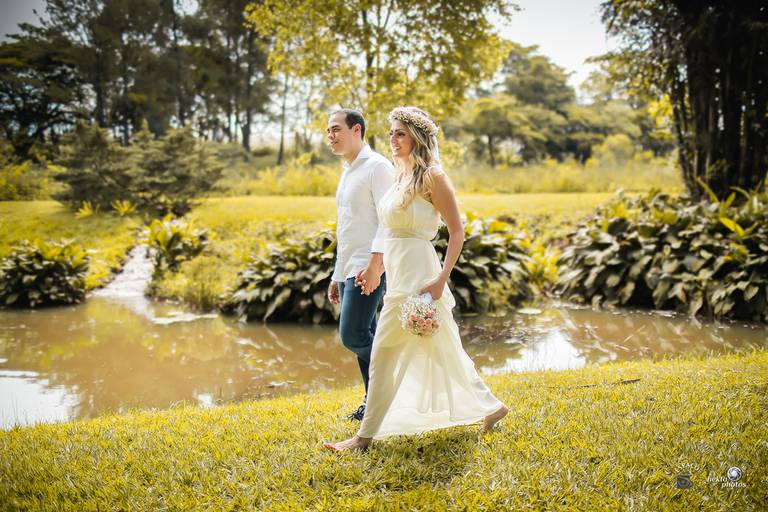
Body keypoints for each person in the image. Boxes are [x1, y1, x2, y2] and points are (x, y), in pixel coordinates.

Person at [324, 106, 509, 452]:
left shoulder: (433, 177)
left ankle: (362, 438)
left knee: (384, 351)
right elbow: (386, 230)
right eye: (391, 133)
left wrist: (441, 279)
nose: (392, 140)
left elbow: (457, 231)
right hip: (396, 274)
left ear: (417, 138)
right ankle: (492, 406)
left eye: (400, 134)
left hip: (421, 274)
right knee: (443, 347)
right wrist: (375, 267)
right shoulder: (399, 175)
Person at [326, 108, 395, 421]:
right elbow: (347, 228)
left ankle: (394, 381)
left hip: (368, 267)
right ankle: (375, 401)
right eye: (329, 131)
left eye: (337, 129)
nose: (331, 136)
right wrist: (335, 275)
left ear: (357, 130)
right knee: (365, 332)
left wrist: (374, 266)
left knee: (353, 335)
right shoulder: (347, 169)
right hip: (348, 267)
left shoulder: (378, 167)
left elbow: (388, 222)